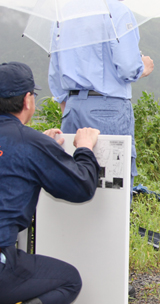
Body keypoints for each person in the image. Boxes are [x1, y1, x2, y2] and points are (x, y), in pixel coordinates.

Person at [48, 0, 154, 191]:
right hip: (108, 108)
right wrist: (143, 68)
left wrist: (68, 106)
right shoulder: (117, 12)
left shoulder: (64, 12)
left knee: (72, 177)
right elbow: (128, 67)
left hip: (72, 108)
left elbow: (55, 70)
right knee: (113, 183)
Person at [0, 62, 101, 304]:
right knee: (69, 280)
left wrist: (43, 149)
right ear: (27, 100)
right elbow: (82, 187)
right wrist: (85, 149)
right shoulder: (30, 144)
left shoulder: (32, 144)